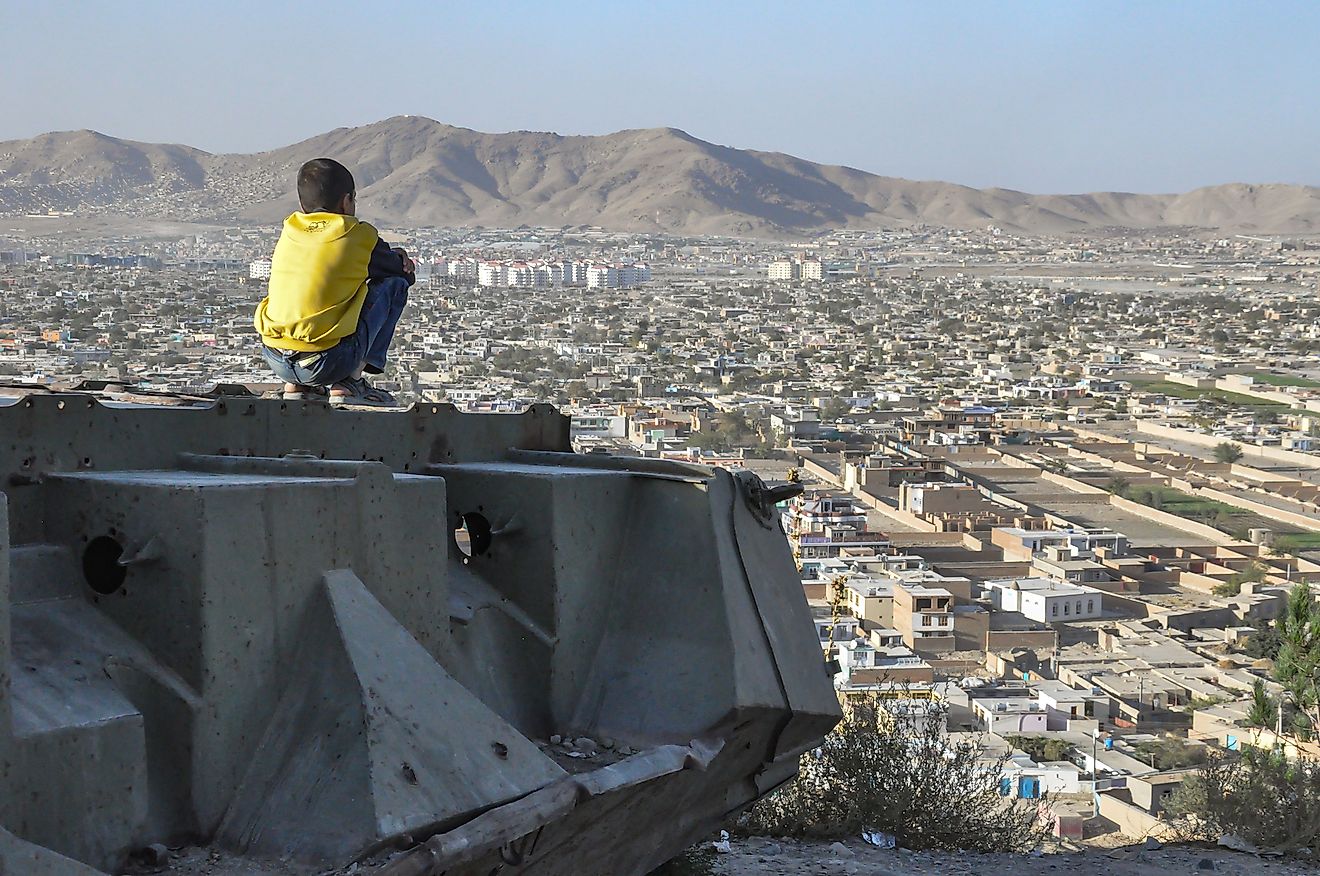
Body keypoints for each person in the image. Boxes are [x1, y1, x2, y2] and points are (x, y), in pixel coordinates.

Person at [254, 158, 415, 406]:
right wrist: (401, 257)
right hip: (327, 363)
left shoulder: (290, 230)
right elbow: (401, 273)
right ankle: (350, 383)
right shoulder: (355, 234)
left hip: (275, 357)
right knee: (394, 284)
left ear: (301, 203)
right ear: (346, 201)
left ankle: (297, 386)